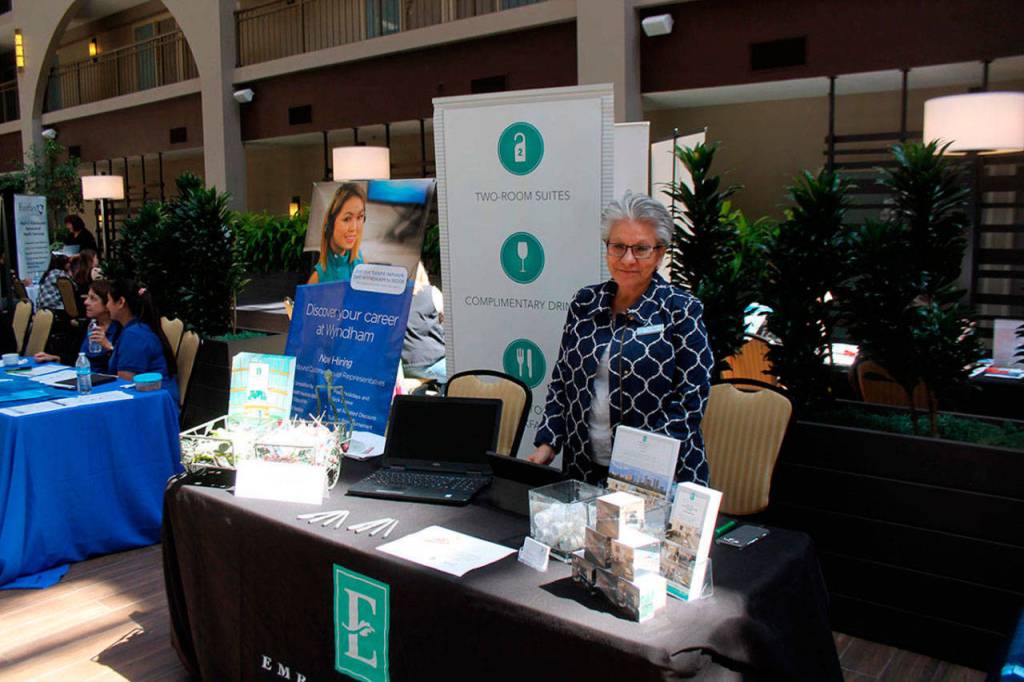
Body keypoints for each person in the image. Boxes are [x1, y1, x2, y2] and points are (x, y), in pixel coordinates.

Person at [526, 191, 714, 486]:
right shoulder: (585, 302)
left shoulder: (681, 310)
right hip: (584, 469)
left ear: (661, 253)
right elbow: (563, 381)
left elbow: (692, 398)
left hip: (658, 478)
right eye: (618, 247)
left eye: (641, 249)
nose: (628, 259)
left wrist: (639, 464)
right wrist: (548, 442)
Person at [105, 279, 178, 403]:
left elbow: (124, 388)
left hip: (152, 406)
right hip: (155, 401)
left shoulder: (134, 335)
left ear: (121, 302)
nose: (106, 306)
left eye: (108, 300)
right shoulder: (138, 329)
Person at [35, 280, 122, 372]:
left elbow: (122, 365)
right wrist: (56, 358)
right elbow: (75, 357)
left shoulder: (120, 330)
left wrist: (108, 347)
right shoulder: (87, 326)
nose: (86, 302)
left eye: (93, 298)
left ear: (107, 304)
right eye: (87, 297)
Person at [307, 183, 366, 284]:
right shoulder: (317, 279)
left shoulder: (363, 265)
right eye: (347, 219)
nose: (354, 228)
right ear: (330, 224)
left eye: (360, 217)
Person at [402, 262, 446, 383]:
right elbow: (448, 322)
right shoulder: (432, 292)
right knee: (464, 374)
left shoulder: (392, 299)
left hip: (404, 367)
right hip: (433, 362)